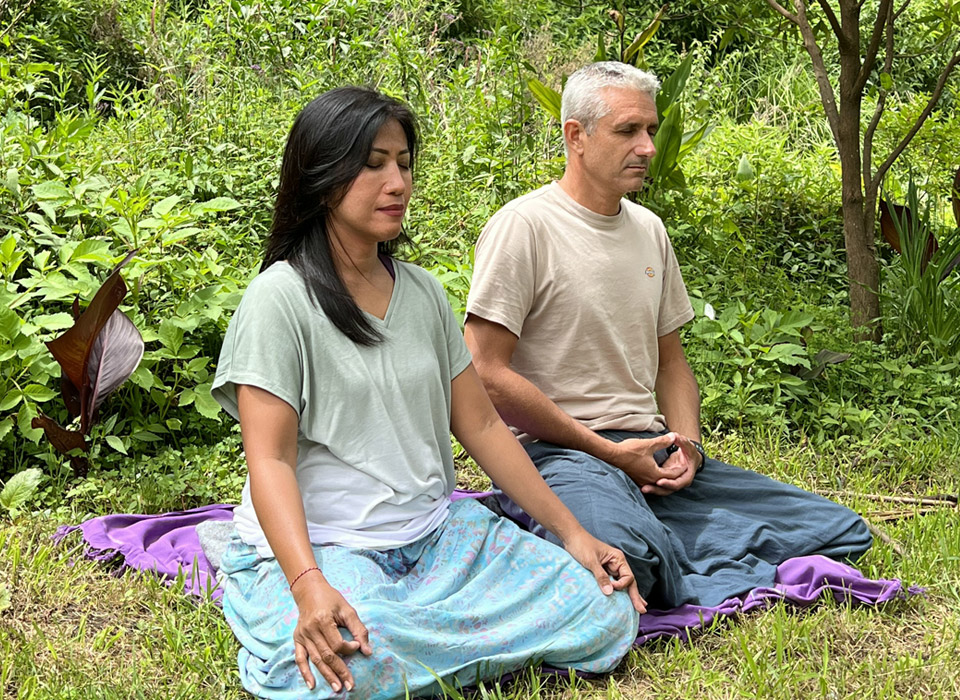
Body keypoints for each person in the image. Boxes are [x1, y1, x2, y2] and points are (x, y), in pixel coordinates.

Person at [210, 86, 642, 700]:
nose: (397, 182)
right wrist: (307, 584)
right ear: (322, 175)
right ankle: (433, 645)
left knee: (601, 607)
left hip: (437, 538)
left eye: (405, 163)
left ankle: (427, 653)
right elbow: (270, 459)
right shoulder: (279, 300)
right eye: (374, 163)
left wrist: (573, 534)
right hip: (329, 548)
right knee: (350, 665)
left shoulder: (423, 294)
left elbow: (485, 428)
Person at [464, 62, 873, 610]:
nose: (648, 147)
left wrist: (689, 447)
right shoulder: (525, 226)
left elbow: (671, 363)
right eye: (628, 130)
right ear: (576, 135)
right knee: (628, 559)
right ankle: (614, 533)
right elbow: (486, 372)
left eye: (651, 130)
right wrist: (609, 453)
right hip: (560, 454)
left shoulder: (649, 230)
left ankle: (657, 539)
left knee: (840, 530)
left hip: (651, 456)